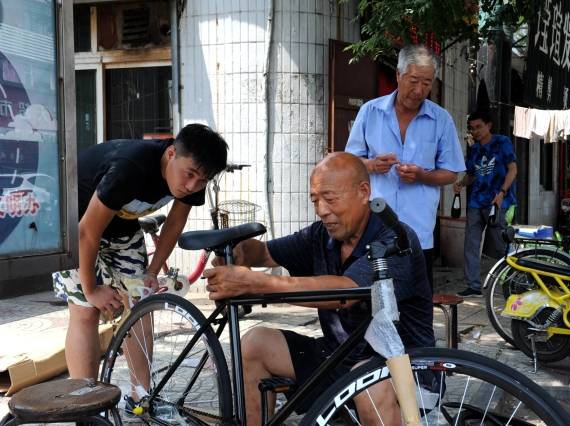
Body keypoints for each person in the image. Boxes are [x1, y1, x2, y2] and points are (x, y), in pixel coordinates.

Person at [204, 152, 433, 425]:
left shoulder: (396, 238)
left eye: (330, 198)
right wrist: (240, 253)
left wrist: (256, 282)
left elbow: (345, 292)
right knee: (254, 344)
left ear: (364, 192)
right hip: (337, 356)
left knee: (368, 383)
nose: (322, 209)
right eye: (315, 200)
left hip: (403, 364)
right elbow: (265, 253)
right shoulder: (321, 234)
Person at [53, 123, 228, 380]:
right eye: (189, 174)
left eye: (202, 180)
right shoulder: (130, 168)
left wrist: (153, 271)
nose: (192, 186)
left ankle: (141, 397)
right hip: (72, 226)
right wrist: (92, 290)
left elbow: (175, 222)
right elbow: (86, 233)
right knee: (85, 310)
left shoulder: (192, 180)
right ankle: (85, 405)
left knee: (139, 302)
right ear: (171, 154)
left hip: (122, 230)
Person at [345, 44, 466, 291]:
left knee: (415, 304)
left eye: (427, 83)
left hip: (418, 229)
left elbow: (452, 173)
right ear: (398, 76)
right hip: (373, 226)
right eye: (413, 81)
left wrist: (423, 175)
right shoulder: (370, 112)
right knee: (371, 300)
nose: (420, 90)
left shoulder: (441, 119)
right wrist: (371, 164)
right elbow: (350, 162)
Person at [454, 110, 517, 297]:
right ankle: (473, 285)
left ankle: (512, 281)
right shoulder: (474, 149)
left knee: (499, 244)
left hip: (496, 202)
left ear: (489, 125)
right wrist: (460, 184)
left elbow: (513, 169)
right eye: (472, 129)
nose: (475, 132)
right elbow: (472, 174)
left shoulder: (502, 142)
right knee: (471, 244)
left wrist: (502, 193)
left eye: (479, 127)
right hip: (476, 202)